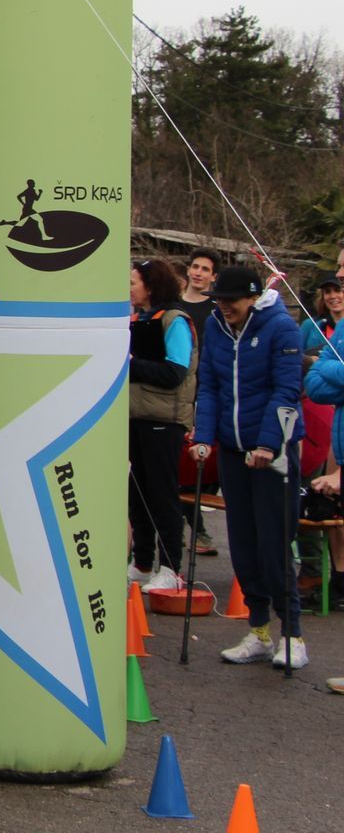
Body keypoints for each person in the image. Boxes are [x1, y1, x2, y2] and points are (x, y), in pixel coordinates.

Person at [191, 266, 309, 669]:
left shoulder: (282, 328)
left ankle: (293, 634)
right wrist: (204, 436)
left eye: (232, 301)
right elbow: (209, 384)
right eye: (219, 300)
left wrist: (267, 444)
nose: (224, 307)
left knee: (274, 546)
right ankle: (258, 631)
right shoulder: (216, 327)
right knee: (242, 547)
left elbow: (286, 389)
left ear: (254, 298)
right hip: (232, 450)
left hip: (273, 452)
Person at [129, 259, 197, 593]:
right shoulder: (139, 319)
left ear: (150, 286)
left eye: (133, 282)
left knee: (162, 495)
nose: (129, 288)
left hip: (164, 420)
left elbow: (175, 372)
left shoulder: (175, 320)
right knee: (137, 494)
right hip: (136, 416)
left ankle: (170, 566)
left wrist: (132, 364)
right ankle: (142, 562)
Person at [178, 249, 219, 335]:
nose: (198, 273)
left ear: (213, 277)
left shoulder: (218, 309)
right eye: (195, 267)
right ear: (188, 270)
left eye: (205, 269)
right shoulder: (172, 303)